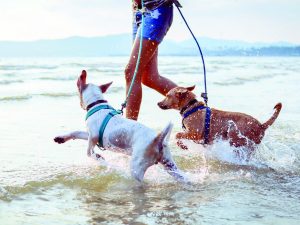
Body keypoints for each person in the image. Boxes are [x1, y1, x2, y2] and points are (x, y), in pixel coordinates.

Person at [124, 0, 180, 120]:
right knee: (149, 78)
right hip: (138, 11)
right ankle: (197, 110)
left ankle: (129, 131)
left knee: (131, 71)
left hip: (157, 9)